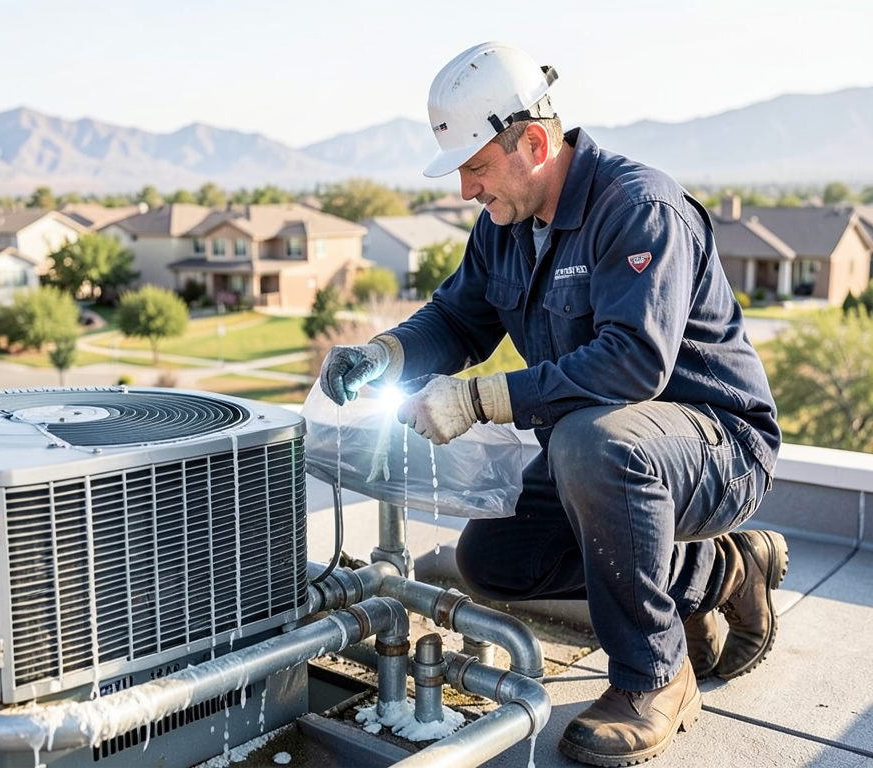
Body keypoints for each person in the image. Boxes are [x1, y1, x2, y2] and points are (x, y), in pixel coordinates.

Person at [319, 41, 787, 766]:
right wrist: (385, 354)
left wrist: (480, 398)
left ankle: (653, 675)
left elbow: (633, 362)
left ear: (532, 142)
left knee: (591, 441)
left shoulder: (637, 208)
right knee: (496, 558)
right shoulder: (503, 230)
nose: (468, 190)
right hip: (613, 460)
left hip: (719, 448)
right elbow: (456, 320)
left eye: (476, 167)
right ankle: (722, 574)